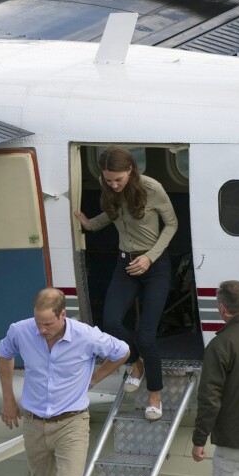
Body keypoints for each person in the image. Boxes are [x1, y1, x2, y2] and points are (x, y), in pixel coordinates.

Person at [73, 146, 177, 421]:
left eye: (118, 179)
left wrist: (150, 258)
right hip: (124, 264)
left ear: (130, 169)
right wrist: (89, 224)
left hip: (154, 266)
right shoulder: (109, 187)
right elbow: (113, 215)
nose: (114, 184)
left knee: (145, 335)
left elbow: (172, 224)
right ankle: (136, 362)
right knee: (111, 323)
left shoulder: (152, 188)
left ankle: (155, 393)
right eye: (108, 180)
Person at [0, 287, 129, 476]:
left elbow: (122, 351)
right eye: (38, 322)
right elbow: (4, 354)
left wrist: (94, 378)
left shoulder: (87, 335)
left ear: (63, 315)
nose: (41, 329)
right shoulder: (19, 330)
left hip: (72, 424)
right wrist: (8, 399)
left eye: (48, 324)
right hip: (33, 424)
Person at [192, 280, 239, 476]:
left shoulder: (221, 345)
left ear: (222, 309)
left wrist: (199, 439)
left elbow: (210, 398)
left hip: (236, 441)